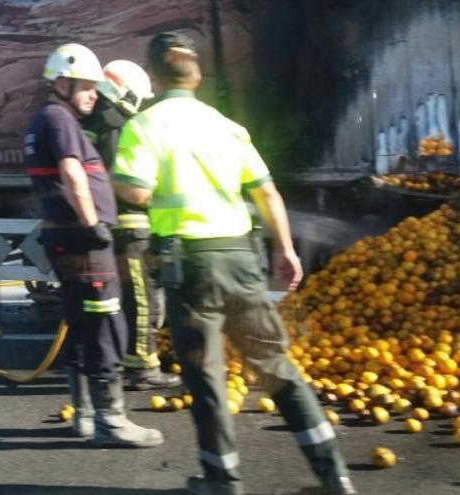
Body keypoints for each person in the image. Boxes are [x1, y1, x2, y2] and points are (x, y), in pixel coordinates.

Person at [112, 33, 356, 494]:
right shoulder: (227, 126)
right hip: (242, 260)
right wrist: (284, 249)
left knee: (207, 375)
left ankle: (222, 481)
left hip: (192, 266)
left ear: (155, 77)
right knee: (275, 365)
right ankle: (334, 475)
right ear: (197, 75)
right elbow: (266, 192)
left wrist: (110, 174)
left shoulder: (144, 126)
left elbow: (136, 190)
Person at [23, 43, 162, 448]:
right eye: (86, 87)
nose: (94, 95)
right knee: (104, 323)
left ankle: (85, 413)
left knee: (82, 324)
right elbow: (71, 171)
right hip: (82, 239)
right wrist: (92, 224)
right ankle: (112, 421)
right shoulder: (59, 118)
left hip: (66, 237)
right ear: (62, 83)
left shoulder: (45, 118)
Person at [81, 59, 181, 391]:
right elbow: (123, 182)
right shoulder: (115, 126)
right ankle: (142, 367)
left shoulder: (93, 124)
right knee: (142, 301)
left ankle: (126, 360)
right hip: (129, 228)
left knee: (124, 301)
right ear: (123, 92)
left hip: (112, 228)